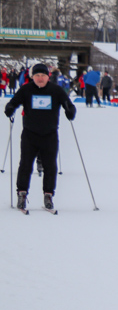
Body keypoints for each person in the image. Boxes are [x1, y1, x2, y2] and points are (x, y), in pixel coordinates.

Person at [4, 64, 76, 212]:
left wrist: (70, 111)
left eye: (43, 75)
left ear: (48, 76)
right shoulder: (26, 89)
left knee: (50, 166)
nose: (40, 78)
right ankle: (22, 194)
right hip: (30, 134)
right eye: (37, 76)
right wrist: (10, 109)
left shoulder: (56, 90)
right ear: (32, 77)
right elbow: (13, 102)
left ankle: (48, 195)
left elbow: (68, 104)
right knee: (25, 165)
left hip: (49, 135)